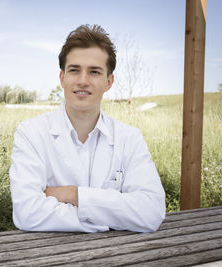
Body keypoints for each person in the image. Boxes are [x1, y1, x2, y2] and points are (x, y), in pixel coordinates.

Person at [9, 24, 165, 233]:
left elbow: (151, 212)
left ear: (108, 82)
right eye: (74, 70)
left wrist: (73, 195)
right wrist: (112, 215)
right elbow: (27, 213)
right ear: (62, 78)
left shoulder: (129, 138)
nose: (83, 81)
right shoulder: (31, 133)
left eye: (94, 72)